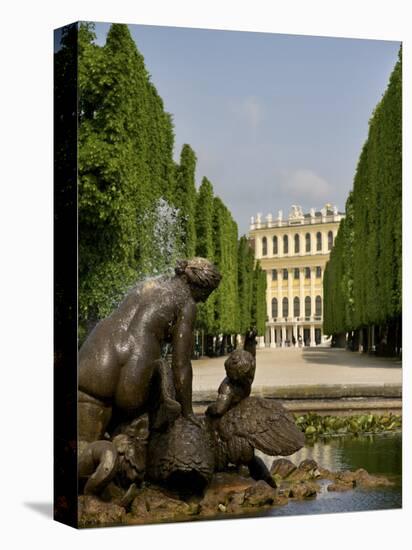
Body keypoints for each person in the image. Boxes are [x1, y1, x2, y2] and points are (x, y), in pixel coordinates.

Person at [79, 258, 221, 434]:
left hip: (97, 357)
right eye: (205, 294)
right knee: (142, 436)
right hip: (134, 373)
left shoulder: (150, 284)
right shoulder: (186, 302)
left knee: (84, 446)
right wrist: (188, 412)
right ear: (197, 286)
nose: (204, 300)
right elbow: (180, 364)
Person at [205, 349, 255, 417]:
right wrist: (208, 410)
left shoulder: (246, 380)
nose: (251, 376)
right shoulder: (227, 387)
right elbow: (219, 409)